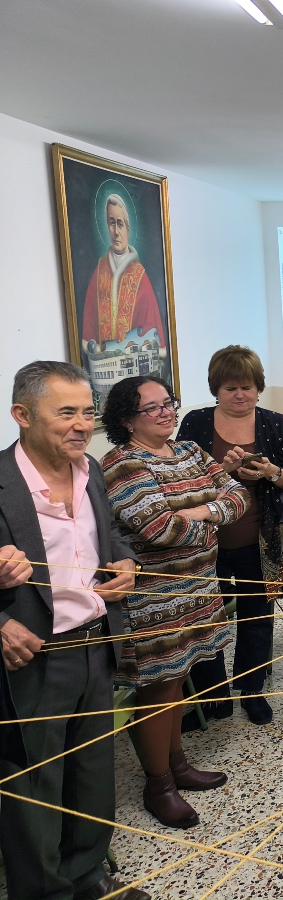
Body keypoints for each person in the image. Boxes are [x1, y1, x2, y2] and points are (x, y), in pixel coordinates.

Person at [0, 361, 147, 900]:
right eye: (65, 413)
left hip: (96, 647)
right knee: (34, 783)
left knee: (92, 774)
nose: (81, 424)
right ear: (22, 415)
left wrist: (124, 564)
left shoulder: (92, 474)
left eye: (87, 412)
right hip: (35, 658)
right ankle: (42, 892)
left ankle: (87, 878)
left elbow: (110, 539)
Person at [102, 375, 248, 830]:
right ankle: (158, 785)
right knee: (158, 686)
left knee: (179, 677)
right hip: (154, 599)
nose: (167, 412)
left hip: (198, 588)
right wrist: (211, 521)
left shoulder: (187, 451)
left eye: (169, 403)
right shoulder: (121, 464)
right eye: (154, 408)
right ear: (126, 419)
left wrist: (199, 512)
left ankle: (178, 765)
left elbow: (238, 496)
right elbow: (157, 530)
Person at [177, 345, 283, 726]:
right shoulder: (196, 422)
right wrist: (221, 470)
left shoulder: (276, 424)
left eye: (247, 387)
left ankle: (252, 689)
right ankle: (213, 696)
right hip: (204, 544)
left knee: (257, 615)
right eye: (231, 387)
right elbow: (181, 481)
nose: (239, 395)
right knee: (206, 619)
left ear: (259, 387)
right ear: (216, 388)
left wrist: (269, 472)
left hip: (258, 541)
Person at [81, 194, 165, 349]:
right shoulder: (99, 271)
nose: (116, 232)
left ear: (128, 228)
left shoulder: (140, 276)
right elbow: (89, 327)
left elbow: (150, 327)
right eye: (111, 223)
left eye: (120, 224)